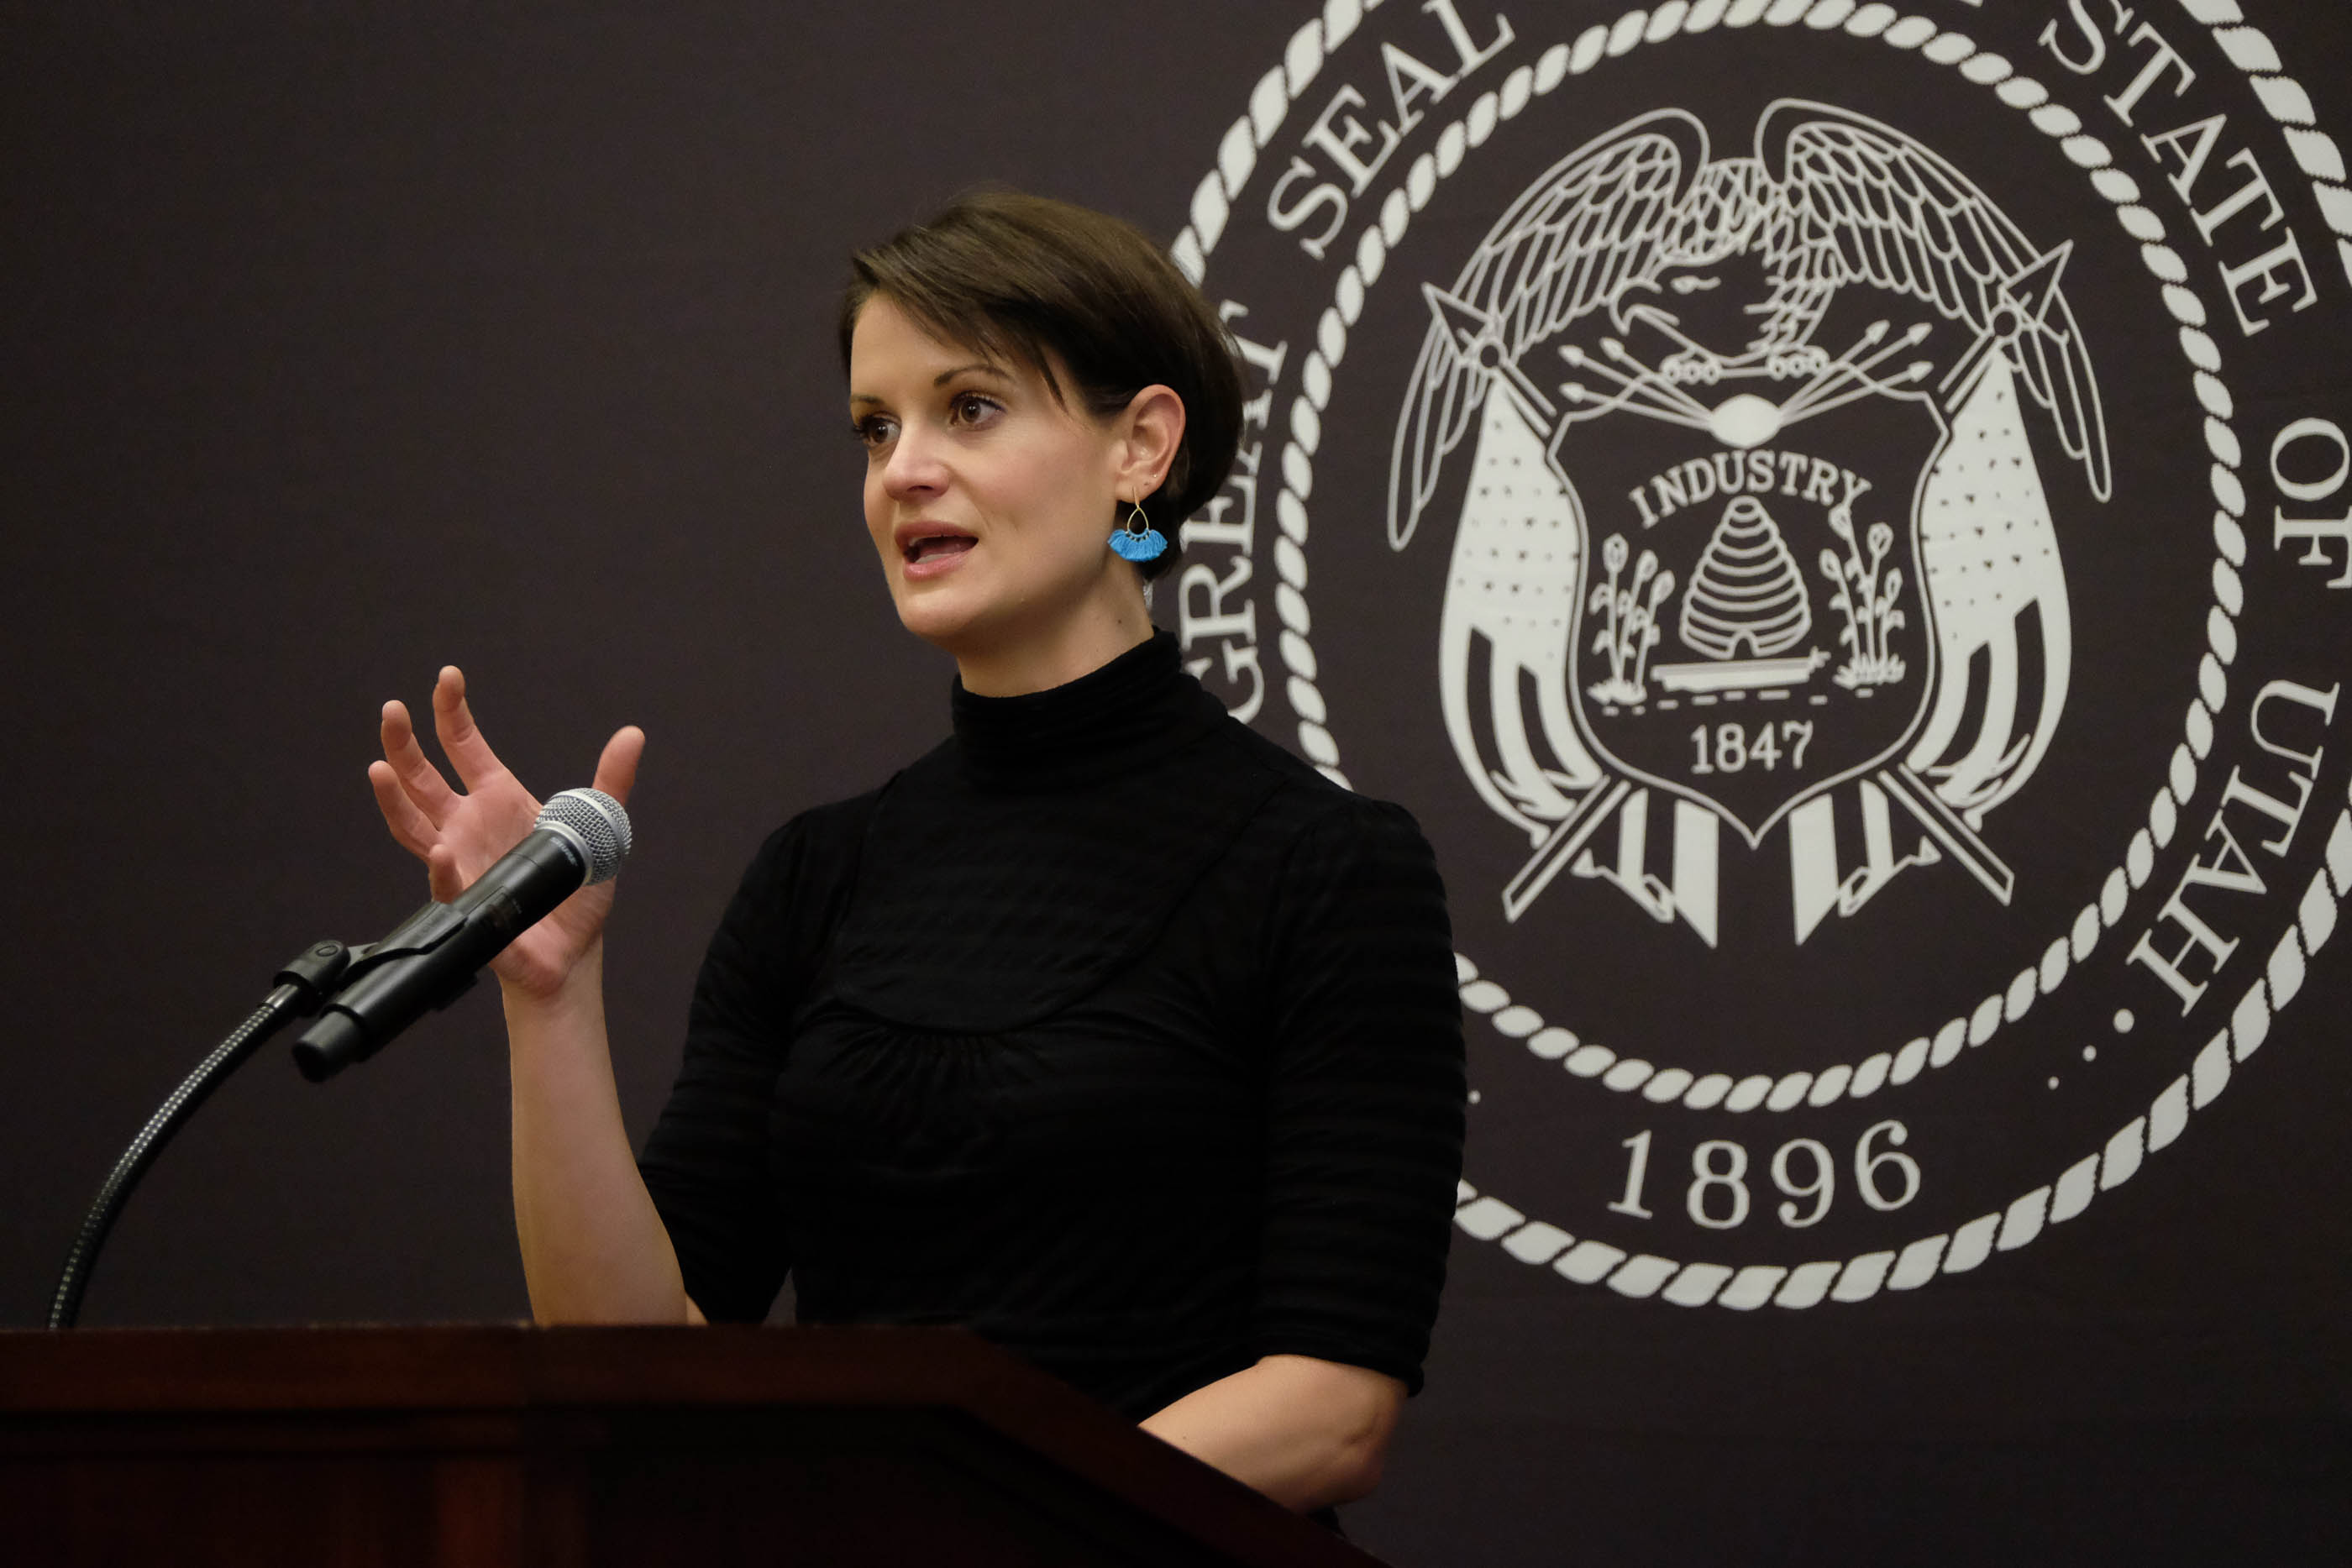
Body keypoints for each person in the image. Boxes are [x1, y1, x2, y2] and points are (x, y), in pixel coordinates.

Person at [364, 190, 1466, 1516]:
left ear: (1143, 448)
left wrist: (943, 1532)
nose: (904, 471)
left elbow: (1331, 1405)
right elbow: (639, 1359)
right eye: (875, 429)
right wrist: (547, 1000)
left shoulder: (1329, 871)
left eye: (971, 409)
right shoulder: (818, 877)